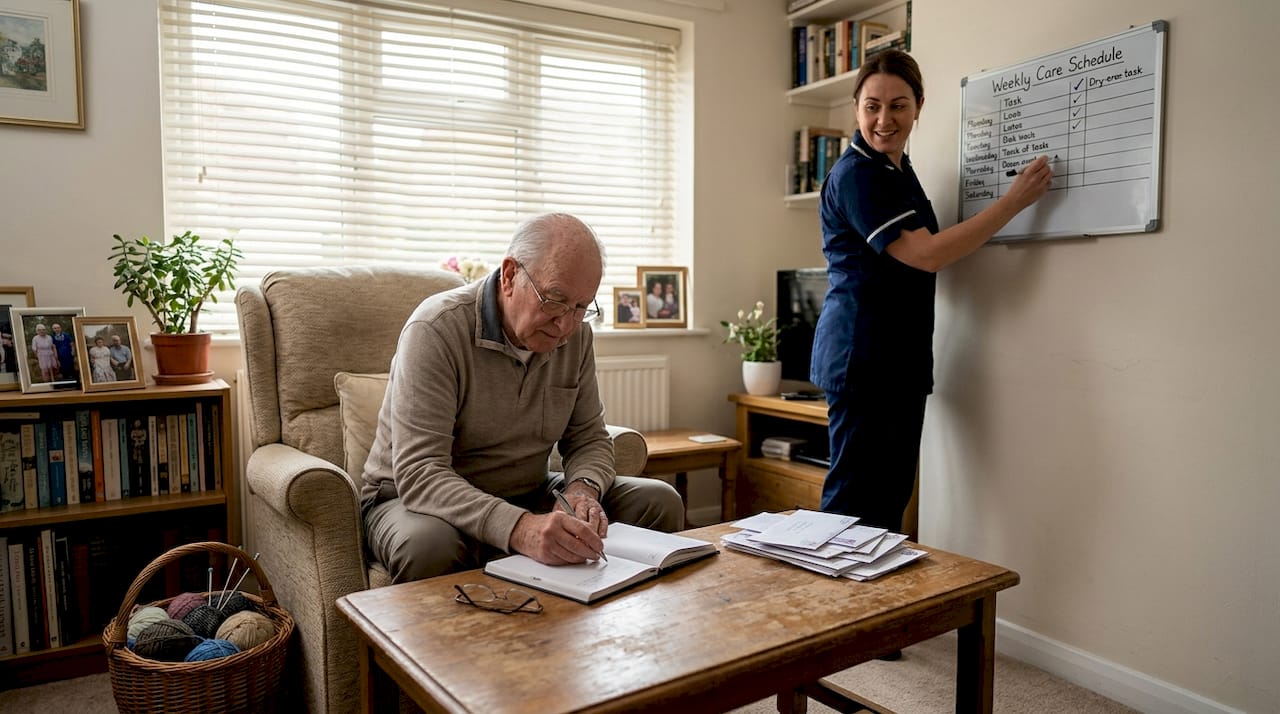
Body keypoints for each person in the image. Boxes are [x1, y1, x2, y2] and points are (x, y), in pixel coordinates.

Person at [360, 212, 685, 583]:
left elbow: (590, 437)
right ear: (510, 275)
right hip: (412, 502)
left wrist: (583, 488)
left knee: (658, 501)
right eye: (555, 300)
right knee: (429, 546)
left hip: (529, 492)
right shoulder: (435, 329)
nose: (565, 325)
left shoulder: (575, 337)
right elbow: (421, 474)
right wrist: (521, 528)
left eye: (581, 307)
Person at [811, 50, 1053, 532]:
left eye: (898, 105)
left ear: (919, 106)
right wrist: (1014, 203)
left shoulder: (895, 170)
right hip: (863, 360)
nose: (884, 119)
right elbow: (925, 254)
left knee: (886, 504)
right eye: (872, 106)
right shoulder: (859, 175)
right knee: (853, 510)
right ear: (855, 107)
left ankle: (876, 608)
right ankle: (832, 609)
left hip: (897, 361)